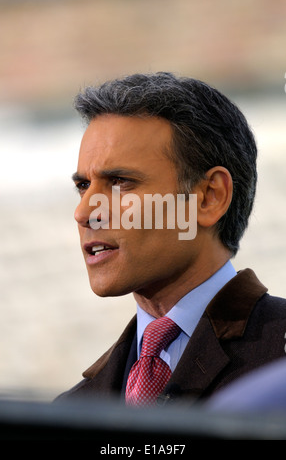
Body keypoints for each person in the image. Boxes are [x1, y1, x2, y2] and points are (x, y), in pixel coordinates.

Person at [56, 72, 286, 406]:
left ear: (208, 197)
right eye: (83, 186)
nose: (84, 211)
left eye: (120, 182)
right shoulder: (72, 408)